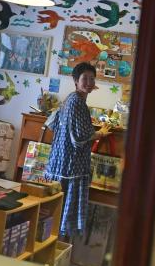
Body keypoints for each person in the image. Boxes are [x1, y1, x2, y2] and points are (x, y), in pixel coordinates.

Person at [45, 62, 109, 238]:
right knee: (62, 215)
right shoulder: (78, 102)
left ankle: (55, 241)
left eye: (92, 78)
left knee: (53, 212)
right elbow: (80, 137)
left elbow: (52, 124)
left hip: (59, 162)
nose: (89, 82)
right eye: (85, 78)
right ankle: (59, 243)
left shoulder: (70, 99)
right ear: (75, 81)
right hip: (71, 166)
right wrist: (101, 133)